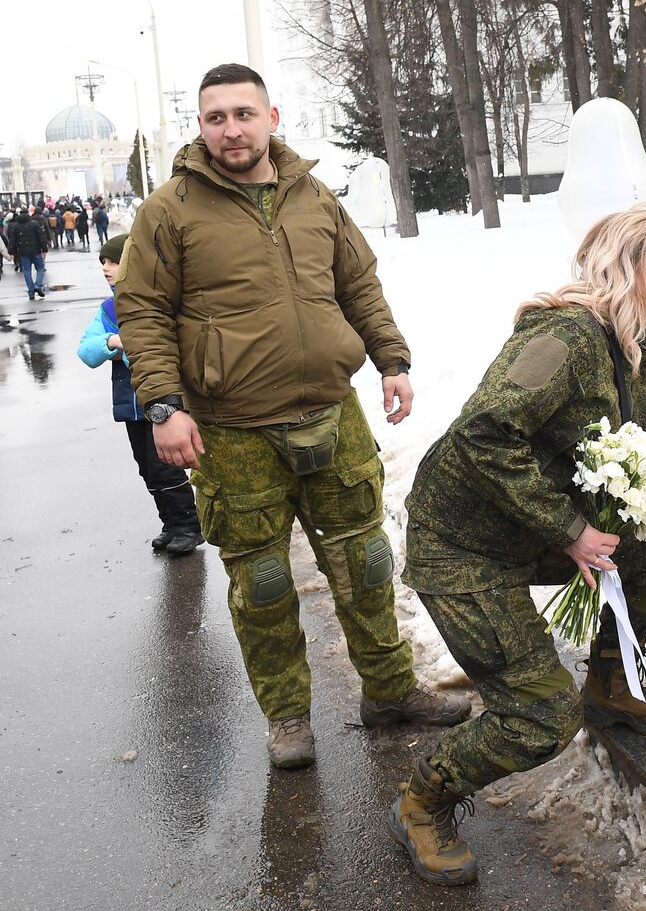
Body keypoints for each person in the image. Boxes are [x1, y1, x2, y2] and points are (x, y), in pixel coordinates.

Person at [115, 62, 468, 771]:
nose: (230, 129)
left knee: (366, 563)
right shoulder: (169, 211)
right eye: (215, 117)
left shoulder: (313, 197)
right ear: (201, 125)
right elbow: (144, 312)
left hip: (332, 416)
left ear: (271, 117)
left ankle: (391, 691)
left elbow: (358, 284)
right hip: (232, 428)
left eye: (243, 114)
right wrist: (163, 406)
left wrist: (391, 359)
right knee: (264, 585)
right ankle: (287, 718)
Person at [391, 206, 646, 886]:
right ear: (627, 264)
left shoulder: (637, 346)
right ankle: (425, 797)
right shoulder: (568, 337)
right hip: (464, 546)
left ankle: (612, 682)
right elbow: (482, 433)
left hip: (529, 527)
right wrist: (570, 531)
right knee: (540, 717)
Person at [77, 234, 204, 554]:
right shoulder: (109, 308)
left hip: (163, 403)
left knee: (167, 466)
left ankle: (188, 526)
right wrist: (113, 342)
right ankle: (171, 524)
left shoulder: (159, 299)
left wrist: (130, 346)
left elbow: (161, 348)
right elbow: (86, 351)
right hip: (132, 406)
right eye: (102, 262)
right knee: (147, 468)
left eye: (113, 261)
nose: (106, 268)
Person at [10, 209, 49, 300]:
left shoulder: (15, 226)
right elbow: (41, 237)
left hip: (23, 252)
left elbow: (12, 241)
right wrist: (44, 249)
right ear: (28, 214)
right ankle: (38, 284)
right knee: (40, 268)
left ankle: (31, 291)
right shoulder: (34, 224)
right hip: (36, 251)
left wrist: (12, 252)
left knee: (27, 271)